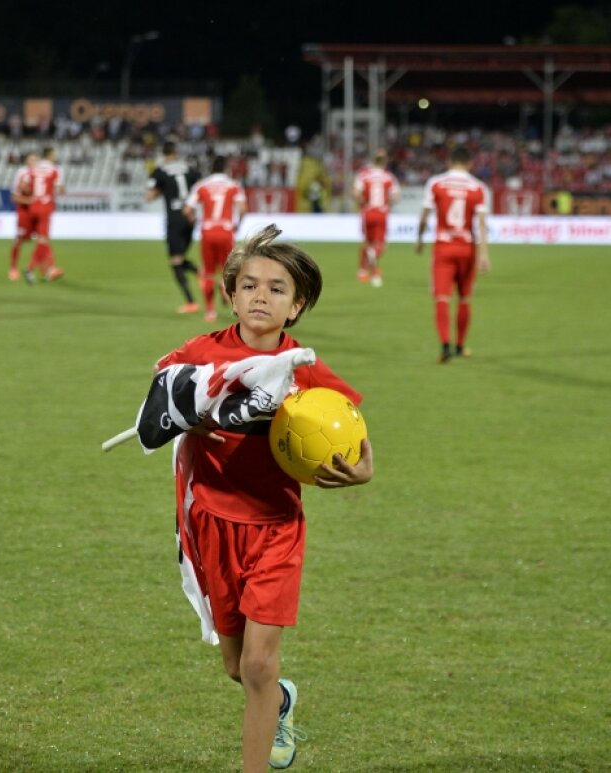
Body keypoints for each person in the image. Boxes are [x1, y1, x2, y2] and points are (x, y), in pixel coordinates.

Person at [154, 224, 374, 771]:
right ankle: (280, 702)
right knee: (237, 667)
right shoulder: (201, 353)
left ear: (296, 306)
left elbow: (347, 423)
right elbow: (163, 388)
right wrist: (186, 411)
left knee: (256, 664)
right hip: (209, 520)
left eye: (277, 288)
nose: (261, 296)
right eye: (249, 285)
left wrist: (365, 468)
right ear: (231, 295)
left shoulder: (304, 368)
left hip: (276, 525)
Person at [416, 146, 491, 363]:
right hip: (468, 248)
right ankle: (460, 345)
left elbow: (424, 217)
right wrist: (484, 254)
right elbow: (482, 223)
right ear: (470, 164)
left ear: (449, 162)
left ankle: (445, 345)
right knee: (465, 298)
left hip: (443, 247)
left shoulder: (436, 183)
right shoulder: (478, 187)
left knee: (442, 298)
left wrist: (420, 240)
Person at [183, 155, 247, 323]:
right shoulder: (233, 185)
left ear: (210, 168)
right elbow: (242, 209)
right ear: (226, 168)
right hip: (226, 232)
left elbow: (187, 210)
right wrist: (237, 224)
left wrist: (196, 222)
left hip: (208, 232)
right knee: (228, 270)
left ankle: (210, 312)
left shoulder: (202, 186)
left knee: (208, 273)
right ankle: (225, 287)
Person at [147, 141, 202, 313]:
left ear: (163, 154)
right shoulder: (189, 168)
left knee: (176, 261)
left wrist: (160, 191)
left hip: (175, 219)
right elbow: (200, 188)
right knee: (180, 258)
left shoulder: (160, 171)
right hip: (190, 218)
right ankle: (201, 273)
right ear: (176, 152)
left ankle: (191, 302)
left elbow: (150, 195)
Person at [352, 149, 400, 287]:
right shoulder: (389, 177)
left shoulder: (364, 175)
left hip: (367, 212)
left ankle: (362, 270)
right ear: (385, 161)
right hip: (381, 213)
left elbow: (356, 193)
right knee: (380, 245)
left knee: (367, 242)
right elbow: (396, 197)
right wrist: (388, 201)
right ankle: (375, 270)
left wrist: (363, 203)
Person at [23, 146, 66, 284]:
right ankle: (30, 269)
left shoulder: (34, 168)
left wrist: (34, 193)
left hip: (33, 205)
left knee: (43, 240)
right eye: (54, 154)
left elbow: (24, 186)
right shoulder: (55, 170)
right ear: (50, 155)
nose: (55, 156)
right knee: (42, 240)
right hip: (45, 206)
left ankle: (50, 269)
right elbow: (60, 189)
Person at [8, 151, 37, 281]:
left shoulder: (40, 174)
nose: (34, 162)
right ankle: (13, 268)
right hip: (24, 211)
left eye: (36, 160)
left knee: (41, 240)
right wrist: (30, 201)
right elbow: (14, 196)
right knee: (19, 239)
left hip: (37, 212)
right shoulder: (21, 173)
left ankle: (42, 269)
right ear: (26, 161)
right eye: (31, 160)